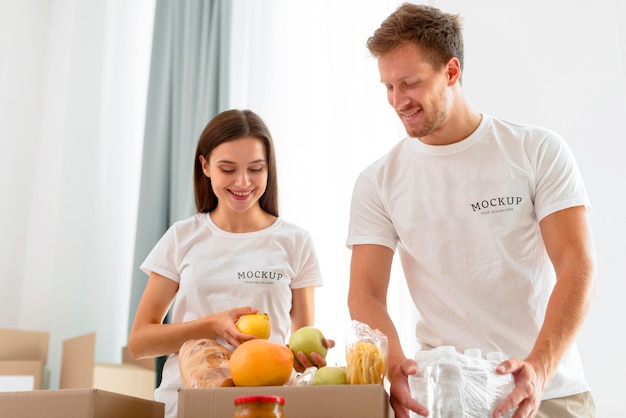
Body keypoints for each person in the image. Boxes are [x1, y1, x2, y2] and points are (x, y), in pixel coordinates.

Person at [346, 4, 596, 418]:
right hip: (444, 399)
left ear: (451, 72)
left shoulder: (536, 151)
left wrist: (538, 368)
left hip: (549, 392)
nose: (397, 101)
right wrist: (396, 369)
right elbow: (365, 292)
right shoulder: (377, 181)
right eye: (388, 86)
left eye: (409, 83)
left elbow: (577, 265)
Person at [129, 109, 332, 418]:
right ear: (205, 166)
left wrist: (308, 357)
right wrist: (212, 325)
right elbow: (140, 342)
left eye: (255, 169)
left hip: (264, 405)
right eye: (228, 169)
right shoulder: (181, 237)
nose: (242, 181)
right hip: (189, 403)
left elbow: (298, 343)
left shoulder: (295, 241)